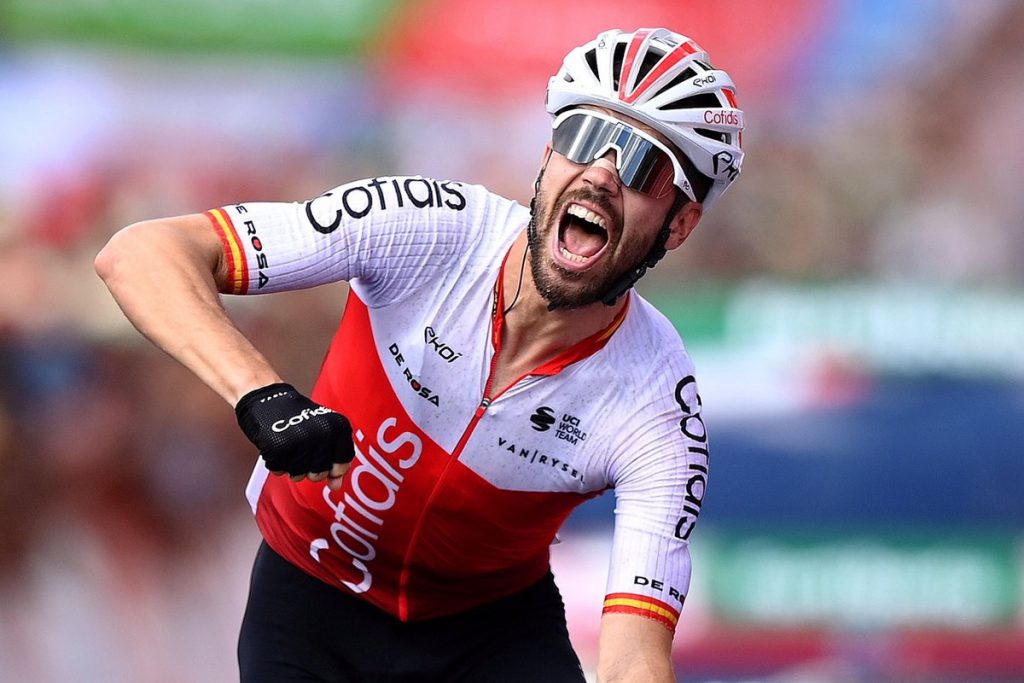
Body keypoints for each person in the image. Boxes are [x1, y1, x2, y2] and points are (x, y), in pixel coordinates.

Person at [96, 27, 744, 683]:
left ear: (679, 224)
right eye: (582, 137)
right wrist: (263, 394)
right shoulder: (429, 228)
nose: (601, 174)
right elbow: (140, 253)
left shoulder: (658, 404)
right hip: (311, 599)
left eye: (643, 165)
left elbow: (635, 659)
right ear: (548, 155)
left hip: (489, 639)